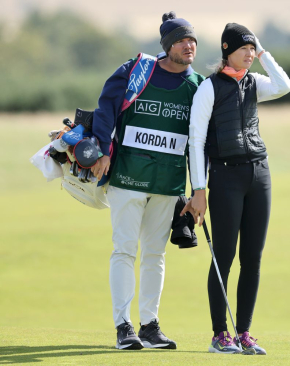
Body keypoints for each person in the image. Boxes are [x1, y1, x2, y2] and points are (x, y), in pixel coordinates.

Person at [91, 11, 205, 350]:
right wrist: (100, 149)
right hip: (127, 178)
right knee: (124, 250)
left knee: (155, 254)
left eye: (193, 41)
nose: (190, 46)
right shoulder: (136, 70)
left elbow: (199, 140)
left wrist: (197, 189)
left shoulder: (198, 86)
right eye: (183, 40)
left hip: (168, 185)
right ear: (168, 45)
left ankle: (150, 326)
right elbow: (106, 108)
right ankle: (123, 326)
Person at [182, 23, 290, 355]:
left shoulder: (254, 82)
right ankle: (220, 335)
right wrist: (198, 190)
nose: (249, 53)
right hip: (226, 178)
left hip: (259, 174)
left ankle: (244, 332)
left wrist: (262, 54)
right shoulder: (209, 87)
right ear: (227, 50)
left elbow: (284, 86)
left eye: (251, 48)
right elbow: (196, 140)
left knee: (252, 259)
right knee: (224, 258)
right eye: (244, 48)